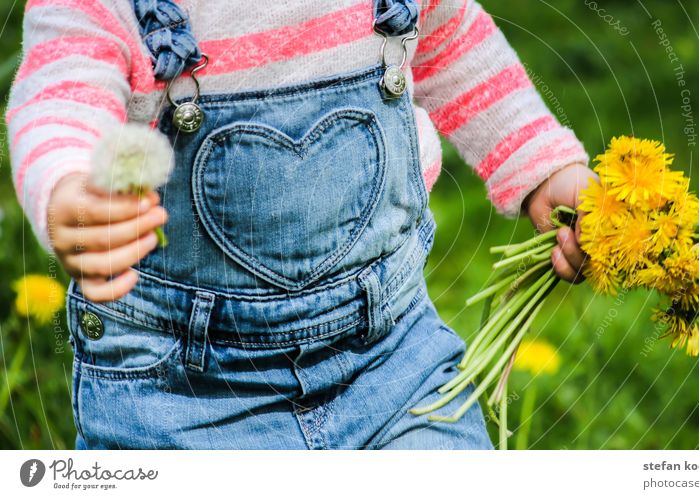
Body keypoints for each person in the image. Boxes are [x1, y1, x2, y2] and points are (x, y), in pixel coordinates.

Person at [6, 0, 594, 449]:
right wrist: (69, 185)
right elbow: (62, 88)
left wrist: (539, 161)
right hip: (183, 392)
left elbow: (451, 40)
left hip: (390, 356)